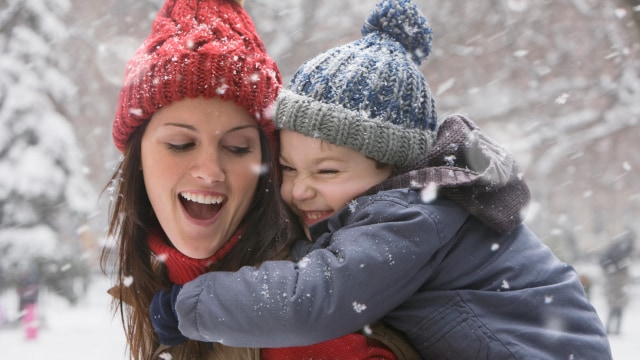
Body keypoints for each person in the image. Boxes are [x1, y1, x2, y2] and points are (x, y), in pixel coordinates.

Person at [153, 0, 613, 358]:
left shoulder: (412, 214)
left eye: (327, 170)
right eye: (289, 168)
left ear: (393, 170)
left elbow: (316, 299)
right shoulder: (410, 211)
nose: (299, 189)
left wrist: (190, 305)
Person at [102, 0, 414, 359]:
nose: (210, 170)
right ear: (137, 157)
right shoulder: (162, 293)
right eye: (181, 144)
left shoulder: (309, 329)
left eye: (236, 147)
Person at [600, 229, 634, 335]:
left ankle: (612, 328)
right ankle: (613, 328)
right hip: (616, 283)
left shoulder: (615, 251)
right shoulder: (619, 251)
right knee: (616, 307)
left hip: (616, 283)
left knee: (615, 307)